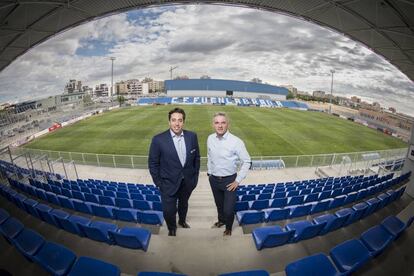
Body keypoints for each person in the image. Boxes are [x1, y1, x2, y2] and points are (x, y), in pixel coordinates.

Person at [148, 107, 200, 236]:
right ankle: (172, 228)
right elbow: (153, 163)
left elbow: (196, 158)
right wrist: (159, 183)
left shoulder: (192, 136)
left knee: (184, 205)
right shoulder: (158, 139)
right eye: (174, 120)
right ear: (169, 122)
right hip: (168, 184)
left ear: (184, 122)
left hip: (187, 182)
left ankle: (182, 221)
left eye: (180, 120)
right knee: (168, 211)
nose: (177, 123)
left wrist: (194, 179)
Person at [207, 112, 251, 236]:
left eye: (223, 122)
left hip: (230, 181)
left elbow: (247, 161)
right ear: (213, 125)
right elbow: (209, 156)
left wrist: (238, 180)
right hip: (214, 179)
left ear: (227, 124)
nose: (220, 125)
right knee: (219, 205)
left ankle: (229, 228)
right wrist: (209, 173)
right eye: (217, 123)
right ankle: (221, 221)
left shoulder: (236, 141)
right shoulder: (210, 138)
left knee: (228, 209)